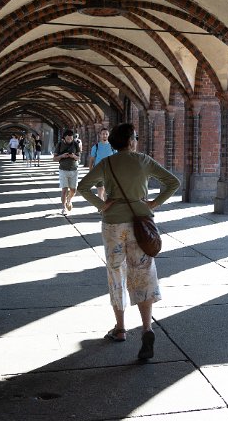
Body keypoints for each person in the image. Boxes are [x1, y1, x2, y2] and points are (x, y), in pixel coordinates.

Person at [77, 123, 179, 361]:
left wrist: (101, 204)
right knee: (143, 272)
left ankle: (120, 329)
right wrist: (153, 204)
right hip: (140, 223)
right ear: (131, 141)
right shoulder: (143, 160)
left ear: (112, 143)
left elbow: (83, 187)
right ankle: (146, 328)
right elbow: (173, 182)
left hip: (113, 224)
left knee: (116, 273)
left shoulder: (107, 163)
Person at [53, 129, 81, 214]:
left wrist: (73, 156)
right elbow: (54, 159)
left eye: (71, 138)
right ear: (64, 138)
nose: (70, 139)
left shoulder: (75, 144)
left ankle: (69, 199)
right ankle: (64, 207)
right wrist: (62, 156)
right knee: (64, 189)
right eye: (68, 138)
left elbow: (78, 157)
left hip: (74, 170)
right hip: (63, 170)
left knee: (73, 190)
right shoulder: (59, 144)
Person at [89, 127, 116, 200]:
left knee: (106, 190)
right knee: (100, 188)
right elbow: (91, 159)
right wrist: (90, 170)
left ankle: (105, 205)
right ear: (100, 135)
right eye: (103, 134)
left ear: (108, 135)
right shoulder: (96, 147)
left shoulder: (113, 147)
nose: (105, 135)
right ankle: (100, 205)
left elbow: (117, 159)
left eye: (106, 134)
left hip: (109, 171)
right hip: (98, 170)